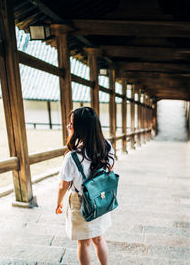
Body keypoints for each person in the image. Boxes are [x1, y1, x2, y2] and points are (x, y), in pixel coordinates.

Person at [56, 107, 114, 265]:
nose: (69, 126)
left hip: (80, 202)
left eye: (71, 123)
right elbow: (108, 171)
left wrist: (59, 202)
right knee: (99, 238)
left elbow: (63, 185)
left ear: (80, 128)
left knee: (83, 243)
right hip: (100, 199)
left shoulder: (72, 157)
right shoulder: (107, 146)